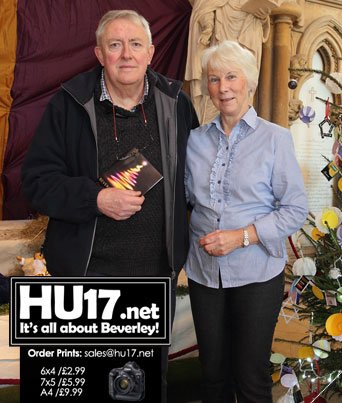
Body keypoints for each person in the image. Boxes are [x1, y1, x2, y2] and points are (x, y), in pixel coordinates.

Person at [21, 10, 198, 403]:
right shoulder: (70, 103)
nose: (126, 55)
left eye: (135, 44)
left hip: (155, 278)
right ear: (99, 53)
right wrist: (95, 198)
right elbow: (36, 183)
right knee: (86, 388)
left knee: (146, 386)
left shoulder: (176, 104)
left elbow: (197, 181)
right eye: (115, 45)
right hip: (87, 280)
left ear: (151, 52)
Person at [185, 40, 307, 402]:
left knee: (251, 376)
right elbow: (186, 199)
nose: (223, 87)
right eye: (214, 78)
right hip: (204, 274)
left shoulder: (275, 139)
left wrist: (242, 236)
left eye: (231, 76)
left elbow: (295, 209)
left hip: (257, 273)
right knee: (212, 375)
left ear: (250, 83)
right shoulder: (193, 140)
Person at [185, 0, 280, 123]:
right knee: (217, 83)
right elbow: (204, 6)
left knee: (244, 85)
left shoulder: (276, 137)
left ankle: (242, 126)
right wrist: (208, 26)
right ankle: (212, 128)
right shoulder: (197, 140)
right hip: (223, 27)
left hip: (249, 29)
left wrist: (261, 12)